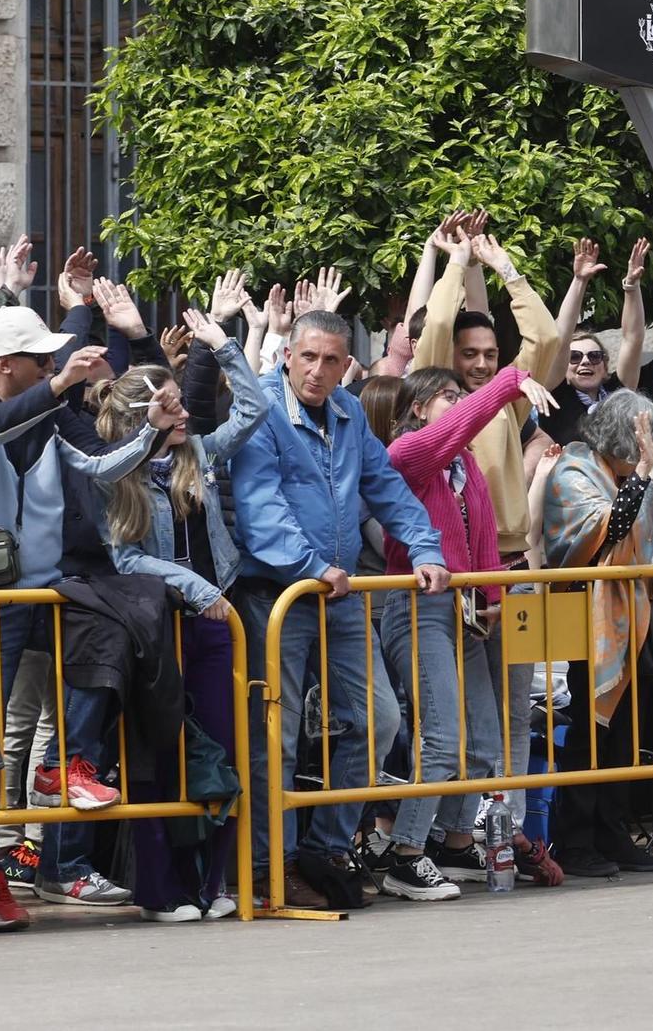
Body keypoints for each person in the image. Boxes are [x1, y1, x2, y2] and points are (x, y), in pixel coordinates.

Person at [0, 294, 176, 914]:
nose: (50, 366)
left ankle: (60, 773)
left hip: (41, 591)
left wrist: (152, 429)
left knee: (105, 651)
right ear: (6, 363)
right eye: (39, 359)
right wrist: (62, 385)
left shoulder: (43, 405)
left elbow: (101, 465)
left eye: (51, 359)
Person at [230, 308, 448, 910]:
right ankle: (268, 864)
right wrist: (310, 568)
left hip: (339, 594)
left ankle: (325, 848)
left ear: (345, 362)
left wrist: (425, 549)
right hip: (277, 596)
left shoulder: (351, 415)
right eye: (309, 357)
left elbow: (388, 490)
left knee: (380, 719)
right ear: (287, 356)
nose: (319, 371)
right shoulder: (263, 410)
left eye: (331, 360)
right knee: (272, 739)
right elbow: (259, 508)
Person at [90, 308, 266, 921]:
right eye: (171, 405)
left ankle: (216, 882)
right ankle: (162, 890)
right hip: (157, 630)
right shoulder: (119, 477)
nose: (186, 412)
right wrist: (194, 588)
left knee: (221, 751)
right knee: (159, 758)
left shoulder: (197, 455)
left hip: (217, 627)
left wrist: (225, 349)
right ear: (146, 416)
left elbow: (254, 413)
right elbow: (129, 559)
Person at [375, 363, 561, 899]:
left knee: (483, 742)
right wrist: (508, 381)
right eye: (446, 397)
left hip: (465, 608)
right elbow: (453, 429)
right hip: (417, 606)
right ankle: (406, 855)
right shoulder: (408, 455)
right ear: (417, 408)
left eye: (462, 396)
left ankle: (455, 844)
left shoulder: (465, 465)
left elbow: (481, 542)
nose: (458, 405)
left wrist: (493, 599)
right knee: (442, 738)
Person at [538, 389, 653, 877]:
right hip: (584, 615)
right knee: (588, 732)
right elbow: (599, 533)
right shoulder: (572, 471)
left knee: (624, 733)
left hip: (630, 617)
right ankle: (577, 840)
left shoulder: (629, 479)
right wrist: (646, 472)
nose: (650, 445)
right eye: (643, 435)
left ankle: (613, 831)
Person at [411, 221, 561, 566]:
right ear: (449, 353)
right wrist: (457, 262)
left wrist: (507, 270)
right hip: (450, 557)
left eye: (490, 355)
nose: (482, 364)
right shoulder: (432, 393)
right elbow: (435, 325)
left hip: (507, 555)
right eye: (469, 354)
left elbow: (546, 338)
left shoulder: (509, 396)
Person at [540, 237, 648, 445]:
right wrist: (579, 280)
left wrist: (632, 286)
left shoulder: (618, 394)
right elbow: (561, 339)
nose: (586, 362)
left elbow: (633, 338)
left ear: (605, 365)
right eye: (575, 357)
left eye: (595, 356)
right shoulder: (554, 395)